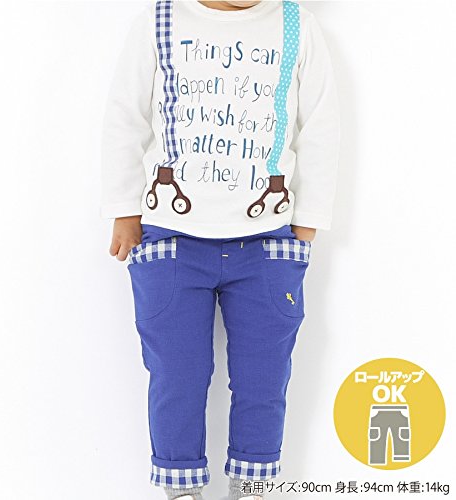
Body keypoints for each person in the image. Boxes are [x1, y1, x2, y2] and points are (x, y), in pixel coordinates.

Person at [100, 0, 340, 498]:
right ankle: (181, 487)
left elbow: (320, 125)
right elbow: (126, 116)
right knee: (177, 375)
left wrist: (308, 221)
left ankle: (251, 484)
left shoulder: (296, 25)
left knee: (264, 378)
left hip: (267, 241)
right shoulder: (161, 21)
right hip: (171, 238)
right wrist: (124, 208)